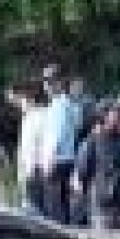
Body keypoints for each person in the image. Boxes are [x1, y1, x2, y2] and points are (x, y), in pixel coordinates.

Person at [73, 98, 120, 230]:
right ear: (103, 117)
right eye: (116, 114)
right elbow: (82, 173)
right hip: (101, 207)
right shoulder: (92, 142)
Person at [40, 65, 81, 224]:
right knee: (62, 208)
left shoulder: (59, 105)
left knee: (55, 213)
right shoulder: (70, 103)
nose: (47, 86)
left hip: (57, 161)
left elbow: (56, 134)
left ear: (60, 82)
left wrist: (49, 160)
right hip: (67, 159)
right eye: (45, 82)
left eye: (50, 82)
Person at [8, 80, 49, 213]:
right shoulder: (29, 117)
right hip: (29, 172)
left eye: (18, 101)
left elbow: (39, 146)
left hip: (36, 171)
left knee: (36, 212)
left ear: (27, 97)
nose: (18, 106)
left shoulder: (41, 116)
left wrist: (32, 169)